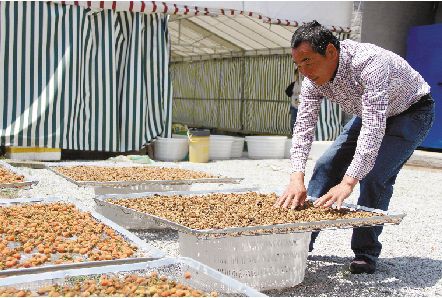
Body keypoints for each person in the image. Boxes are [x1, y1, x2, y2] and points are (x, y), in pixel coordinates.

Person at [274, 21, 435, 274]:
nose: (303, 70)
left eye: (307, 61)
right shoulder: (312, 80)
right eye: (298, 64)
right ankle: (303, 241)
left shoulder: (370, 63)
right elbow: (304, 126)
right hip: (368, 114)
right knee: (326, 165)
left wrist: (348, 182)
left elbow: (373, 128)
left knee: (374, 176)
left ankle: (365, 252)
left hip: (411, 112)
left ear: (330, 51)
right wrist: (296, 176)